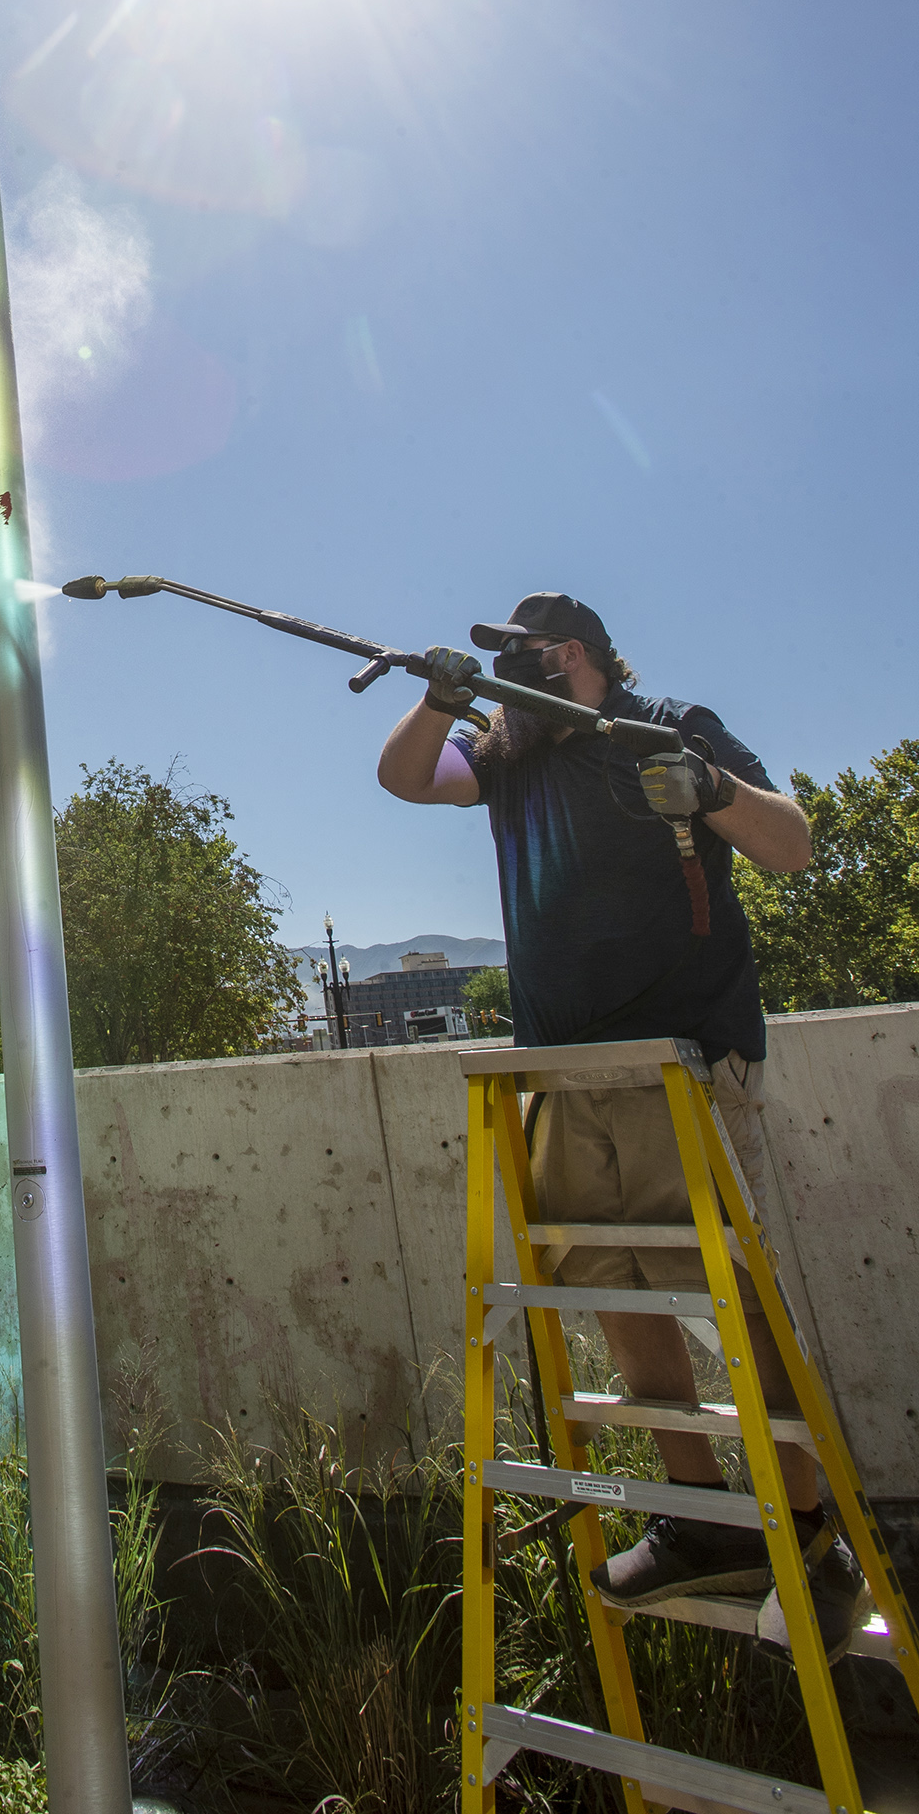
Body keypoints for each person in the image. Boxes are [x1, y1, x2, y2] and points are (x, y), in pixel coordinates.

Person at [377, 591, 866, 1663]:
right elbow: (406, 776)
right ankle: (696, 1524)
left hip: (682, 1062)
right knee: (622, 1301)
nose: (523, 673)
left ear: (582, 656)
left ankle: (811, 1541)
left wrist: (710, 788)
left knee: (734, 1311)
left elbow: (790, 846)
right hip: (564, 1071)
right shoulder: (503, 757)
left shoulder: (671, 723)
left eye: (535, 655)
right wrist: (435, 702)